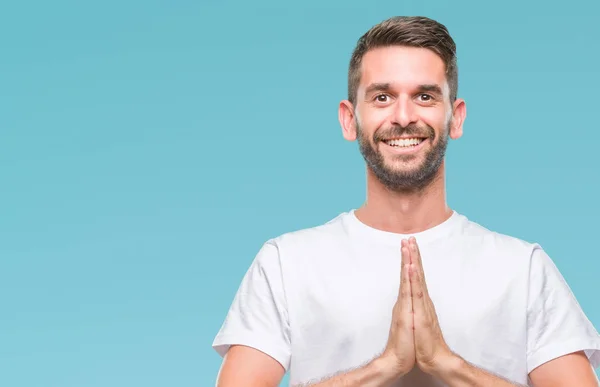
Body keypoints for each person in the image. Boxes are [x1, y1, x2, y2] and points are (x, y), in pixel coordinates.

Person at [212, 16, 600, 386]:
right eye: (382, 97)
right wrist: (384, 367)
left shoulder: (523, 270)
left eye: (425, 96)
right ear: (350, 120)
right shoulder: (285, 264)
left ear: (456, 117)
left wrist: (448, 365)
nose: (403, 116)